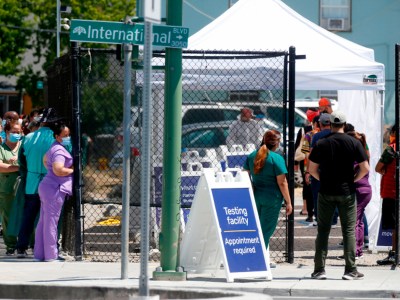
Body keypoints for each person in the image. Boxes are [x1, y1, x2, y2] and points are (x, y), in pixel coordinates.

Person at [308, 110, 369, 280]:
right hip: (347, 191)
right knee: (348, 230)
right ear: (343, 124)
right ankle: (350, 270)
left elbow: (311, 169)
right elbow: (365, 168)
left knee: (323, 231)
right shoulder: (353, 142)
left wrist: (323, 179)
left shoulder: (321, 142)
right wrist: (354, 180)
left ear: (330, 124)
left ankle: (319, 269)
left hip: (326, 191)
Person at [15, 108, 59, 258]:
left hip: (32, 182)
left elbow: (21, 161)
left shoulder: (27, 138)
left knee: (28, 215)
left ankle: (21, 247)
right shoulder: (55, 139)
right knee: (50, 216)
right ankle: (50, 247)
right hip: (51, 182)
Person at [243, 130, 292, 250]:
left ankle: (258, 254)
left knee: (257, 227)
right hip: (272, 198)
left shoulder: (252, 155)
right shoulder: (277, 158)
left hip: (256, 195)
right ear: (277, 143)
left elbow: (244, 175)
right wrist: (288, 202)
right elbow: (282, 182)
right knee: (266, 230)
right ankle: (259, 257)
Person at [34, 121, 73, 262]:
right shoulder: (59, 151)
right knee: (51, 222)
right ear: (57, 136)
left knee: (44, 221)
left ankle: (39, 254)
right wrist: (74, 170)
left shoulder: (54, 147)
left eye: (69, 135)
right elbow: (58, 169)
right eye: (65, 135)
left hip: (48, 186)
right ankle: (51, 255)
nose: (68, 137)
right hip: (54, 189)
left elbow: (45, 161)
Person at [345, 126, 372, 259]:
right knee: (359, 220)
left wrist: (354, 180)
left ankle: (354, 251)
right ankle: (358, 249)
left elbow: (362, 170)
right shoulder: (363, 155)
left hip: (360, 190)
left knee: (354, 220)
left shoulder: (355, 158)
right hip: (365, 189)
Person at [375, 125, 397, 265]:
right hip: (393, 191)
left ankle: (394, 253)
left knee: (395, 225)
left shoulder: (391, 149)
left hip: (391, 192)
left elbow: (378, 167)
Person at [0, 121, 23, 255]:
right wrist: (18, 167)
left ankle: (26, 243)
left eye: (18, 132)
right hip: (6, 188)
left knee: (26, 215)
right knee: (7, 217)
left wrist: (12, 164)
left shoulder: (24, 146)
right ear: (7, 133)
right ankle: (11, 245)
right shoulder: (2, 148)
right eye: (13, 132)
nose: (16, 134)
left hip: (24, 187)